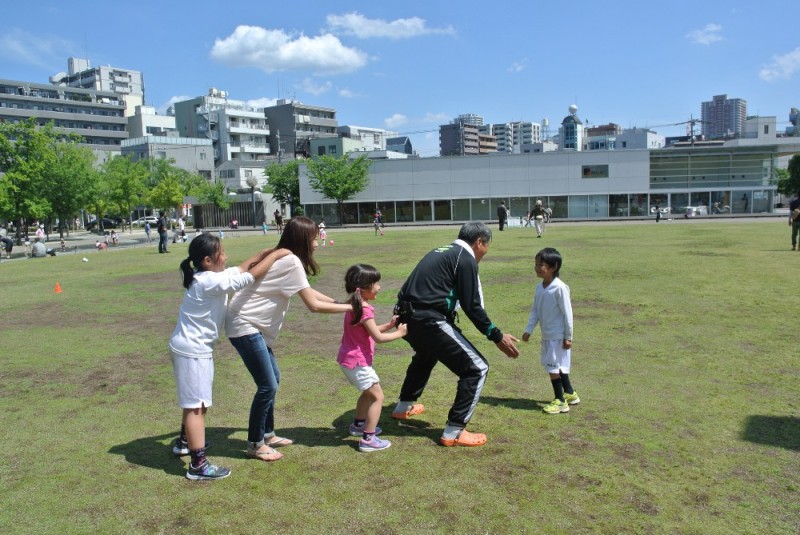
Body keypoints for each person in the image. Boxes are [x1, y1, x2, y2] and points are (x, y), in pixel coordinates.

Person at [226, 216, 352, 462]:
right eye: (314, 238)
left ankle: (268, 433)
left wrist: (339, 303)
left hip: (251, 326)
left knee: (274, 378)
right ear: (303, 239)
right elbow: (313, 305)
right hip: (245, 325)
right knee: (268, 385)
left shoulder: (286, 259)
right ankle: (255, 443)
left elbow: (306, 289)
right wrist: (351, 309)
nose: (316, 243)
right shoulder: (291, 260)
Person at [169, 234, 290, 481]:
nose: (225, 256)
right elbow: (248, 277)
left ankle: (184, 442)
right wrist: (277, 256)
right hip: (193, 351)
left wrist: (267, 251)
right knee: (196, 407)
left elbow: (242, 268)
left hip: (191, 348)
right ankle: (198, 465)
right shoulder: (208, 283)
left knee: (195, 403)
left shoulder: (208, 277)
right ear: (207, 260)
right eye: (221, 253)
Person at [392, 222, 519, 447]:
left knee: (426, 354)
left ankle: (404, 406)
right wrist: (497, 336)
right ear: (479, 242)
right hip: (428, 320)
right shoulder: (465, 257)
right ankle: (455, 431)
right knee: (477, 368)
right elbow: (472, 306)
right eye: (486, 247)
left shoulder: (440, 251)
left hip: (406, 317)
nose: (484, 253)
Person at [338, 264, 407, 453]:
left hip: (349, 360)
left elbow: (371, 330)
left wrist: (390, 325)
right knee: (378, 397)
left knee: (367, 394)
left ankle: (358, 425)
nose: (379, 287)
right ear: (363, 288)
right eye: (376, 283)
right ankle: (368, 439)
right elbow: (378, 337)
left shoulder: (353, 305)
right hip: (358, 362)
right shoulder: (364, 309)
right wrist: (400, 333)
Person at [521, 247, 579, 414]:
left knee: (553, 367)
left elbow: (568, 314)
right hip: (547, 335)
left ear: (553, 267)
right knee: (558, 366)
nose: (537, 268)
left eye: (541, 265)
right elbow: (535, 311)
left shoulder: (560, 288)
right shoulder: (540, 288)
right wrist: (528, 329)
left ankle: (560, 401)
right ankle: (570, 393)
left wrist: (568, 337)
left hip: (558, 336)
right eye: (536, 264)